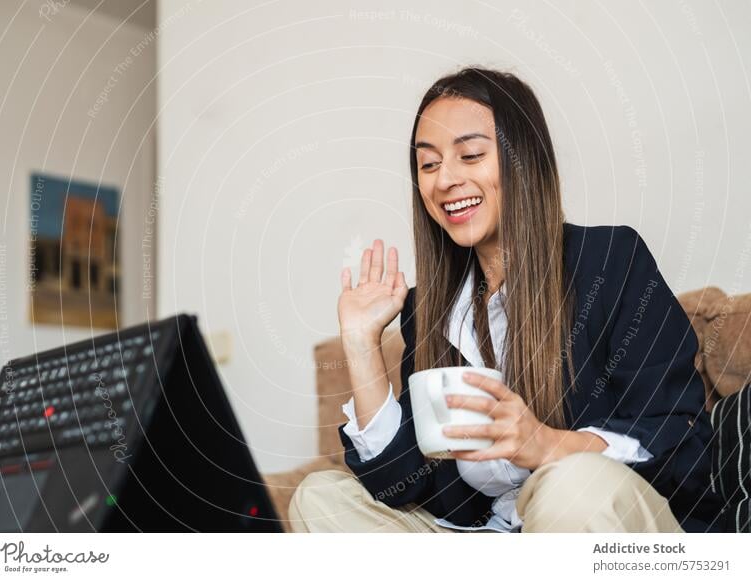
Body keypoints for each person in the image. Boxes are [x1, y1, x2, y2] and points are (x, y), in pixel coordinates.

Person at [289, 67, 726, 533]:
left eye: (471, 155)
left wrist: (549, 446)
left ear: (524, 161)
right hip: (492, 535)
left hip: (609, 524)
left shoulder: (611, 261)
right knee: (320, 498)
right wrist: (361, 342)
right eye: (429, 164)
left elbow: (682, 443)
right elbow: (404, 488)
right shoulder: (431, 310)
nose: (445, 181)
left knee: (570, 485)